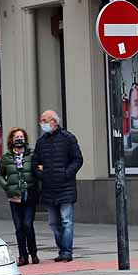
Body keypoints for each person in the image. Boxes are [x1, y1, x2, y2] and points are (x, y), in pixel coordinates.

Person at [32, 110, 83, 262]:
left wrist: (66, 174)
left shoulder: (68, 138)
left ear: (54, 122)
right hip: (49, 188)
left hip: (65, 187)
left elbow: (77, 159)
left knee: (66, 220)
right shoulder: (41, 142)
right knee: (54, 223)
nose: (42, 123)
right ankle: (61, 249)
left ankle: (67, 251)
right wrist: (42, 175)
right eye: (41, 121)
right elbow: (35, 162)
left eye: (44, 120)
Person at [0, 127, 39, 266]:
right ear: (12, 140)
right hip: (14, 196)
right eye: (16, 137)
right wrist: (7, 186)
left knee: (27, 224)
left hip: (29, 194)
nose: (19, 139)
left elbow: (37, 172)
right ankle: (23, 256)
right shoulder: (7, 157)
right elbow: (0, 175)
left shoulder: (31, 155)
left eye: (21, 137)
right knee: (19, 227)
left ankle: (33, 253)